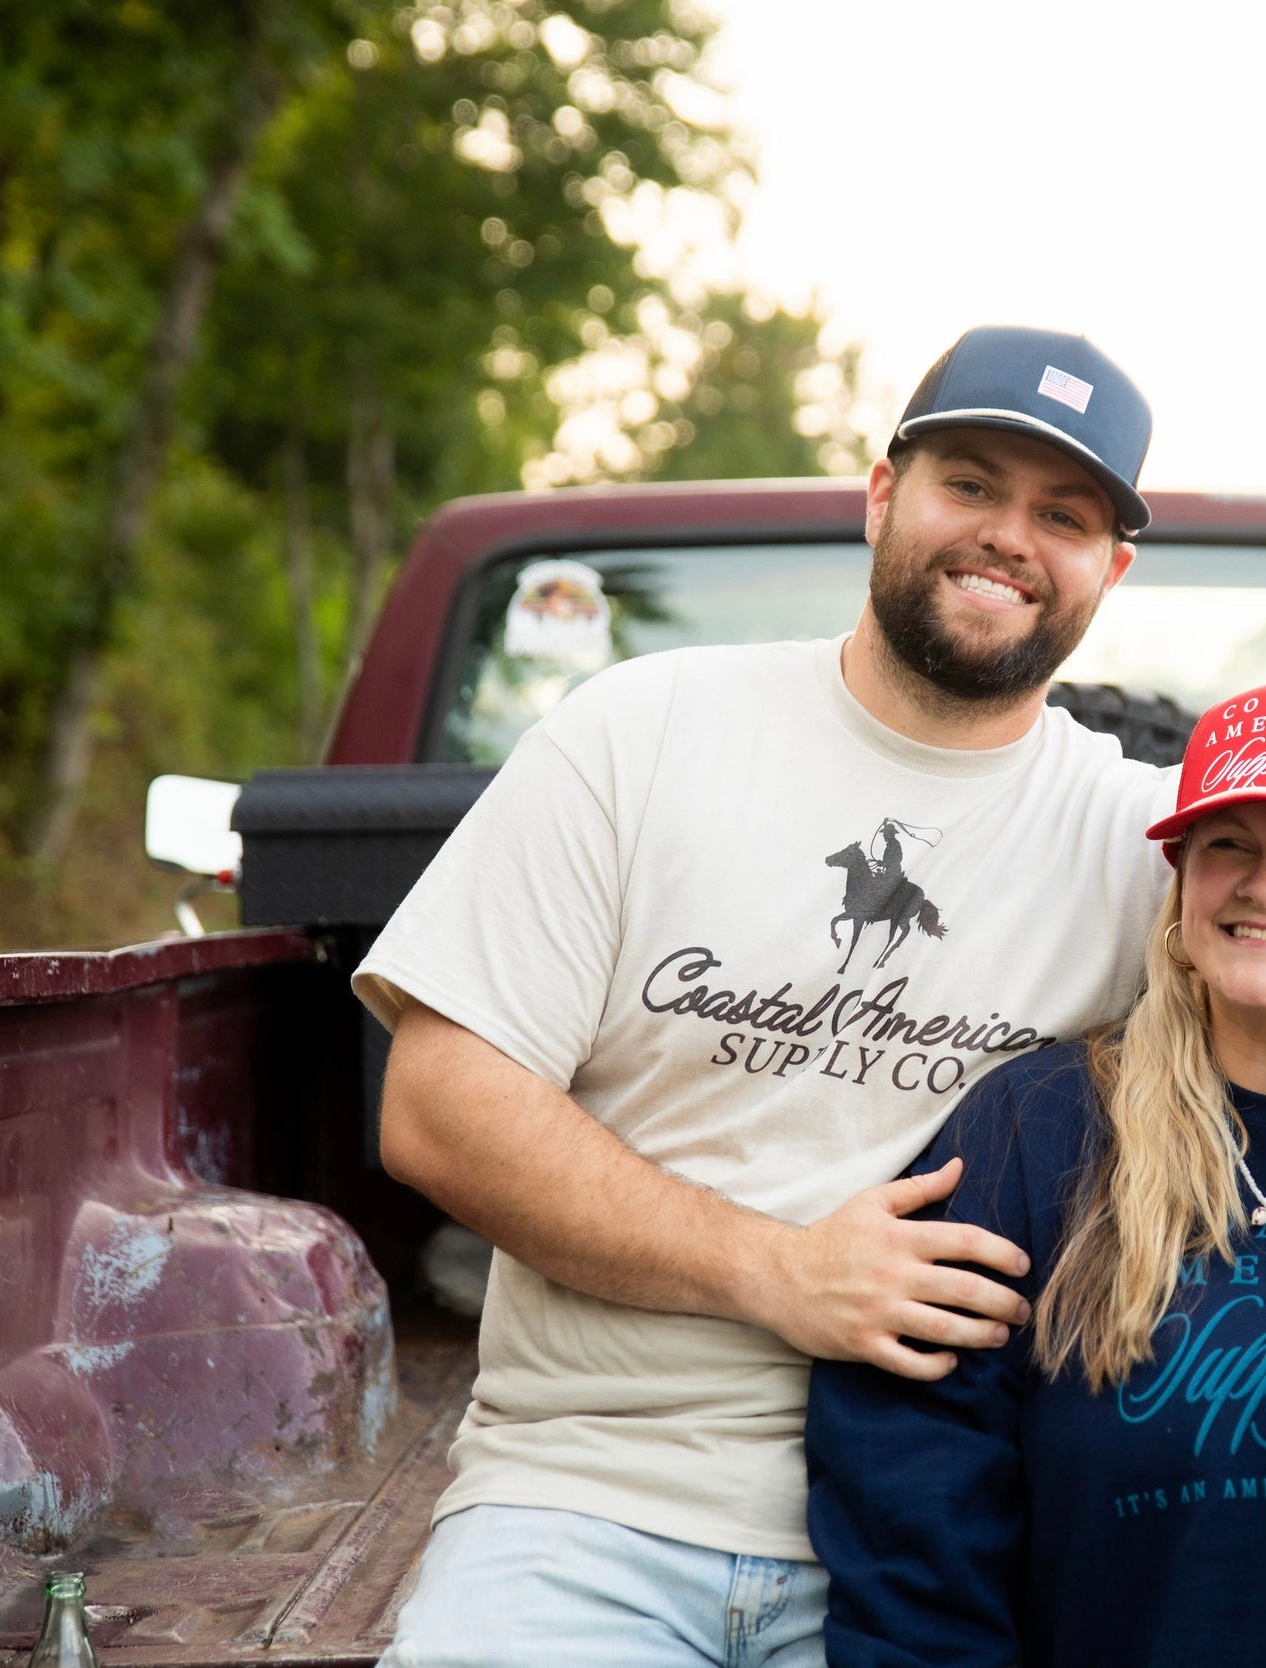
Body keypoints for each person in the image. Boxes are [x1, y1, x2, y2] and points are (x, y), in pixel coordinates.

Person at [353, 325, 1176, 1665]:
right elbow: (438, 1109)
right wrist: (779, 1270)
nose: (1008, 536)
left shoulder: (1141, 846)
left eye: (1063, 516)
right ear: (879, 494)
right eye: (969, 484)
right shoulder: (645, 732)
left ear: (1110, 569)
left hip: (945, 1538)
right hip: (588, 1504)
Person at [806, 688, 1266, 1667]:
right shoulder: (1041, 1124)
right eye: (1229, 844)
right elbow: (914, 1485)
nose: (1256, 885)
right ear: (1179, 884)